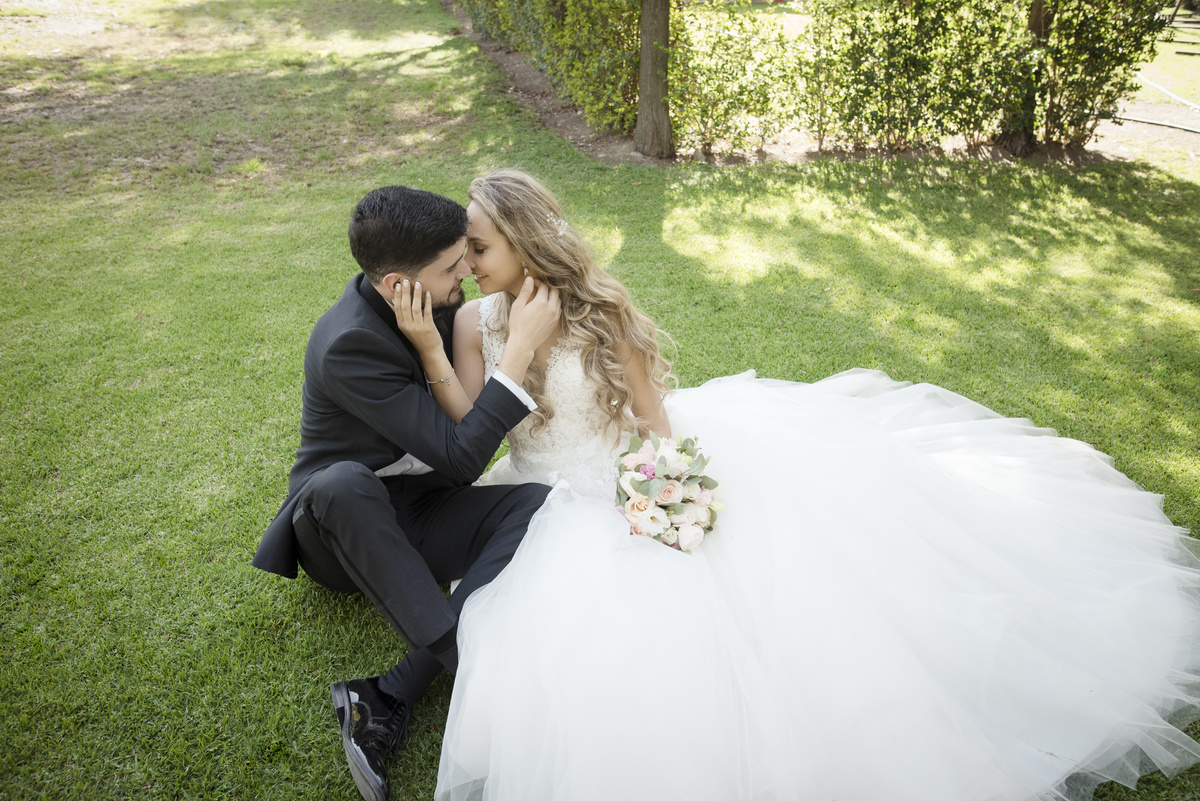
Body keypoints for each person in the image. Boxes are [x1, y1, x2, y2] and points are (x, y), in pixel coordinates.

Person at [395, 169, 1200, 801]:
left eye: (479, 247)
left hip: (611, 476)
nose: (465, 263)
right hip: (531, 494)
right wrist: (434, 349)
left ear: (528, 247)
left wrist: (667, 501)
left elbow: (650, 418)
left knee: (701, 598)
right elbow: (473, 422)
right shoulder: (475, 321)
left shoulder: (598, 316)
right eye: (465, 249)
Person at [250, 185, 562, 801]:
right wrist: (519, 352)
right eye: (453, 267)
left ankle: (388, 692)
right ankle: (479, 676)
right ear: (398, 285)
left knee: (536, 503)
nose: (467, 274)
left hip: (421, 503)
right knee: (340, 482)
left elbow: (461, 454)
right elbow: (465, 453)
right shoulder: (349, 344)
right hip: (345, 533)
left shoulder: (439, 304)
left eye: (466, 257)